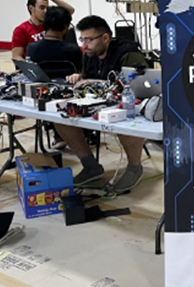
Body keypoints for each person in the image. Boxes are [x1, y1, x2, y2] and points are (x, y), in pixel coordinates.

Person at [56, 15, 148, 191]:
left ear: (105, 38)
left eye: (89, 40)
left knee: (125, 122)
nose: (84, 45)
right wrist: (80, 78)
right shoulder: (90, 55)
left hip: (127, 106)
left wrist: (91, 81)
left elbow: (136, 86)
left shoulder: (128, 53)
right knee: (60, 117)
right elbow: (90, 78)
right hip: (97, 104)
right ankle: (91, 166)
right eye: (82, 40)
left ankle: (135, 167)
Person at [11, 0, 75, 61]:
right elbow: (17, 56)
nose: (45, 11)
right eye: (42, 8)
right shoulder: (21, 29)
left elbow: (70, 10)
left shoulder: (51, 23)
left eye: (47, 8)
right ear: (31, 8)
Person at [26, 6, 83, 79]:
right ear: (66, 26)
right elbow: (81, 72)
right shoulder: (74, 50)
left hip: (40, 88)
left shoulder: (32, 49)